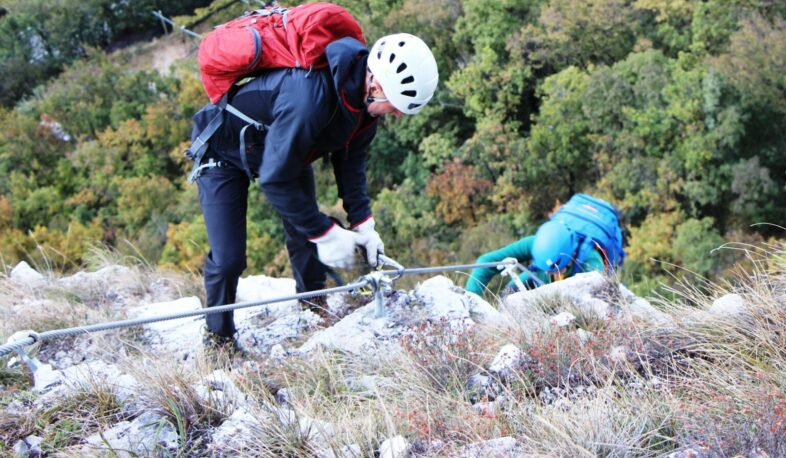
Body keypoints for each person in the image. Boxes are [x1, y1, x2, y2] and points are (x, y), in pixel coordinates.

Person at [190, 33, 438, 347]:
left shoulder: (363, 108)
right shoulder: (309, 97)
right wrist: (326, 233)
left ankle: (313, 308)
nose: (399, 115)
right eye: (397, 106)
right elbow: (274, 179)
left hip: (283, 149)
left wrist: (364, 223)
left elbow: (351, 163)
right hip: (223, 150)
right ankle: (219, 339)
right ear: (375, 86)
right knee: (229, 258)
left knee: (304, 232)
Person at [465, 196, 623, 296]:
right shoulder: (536, 243)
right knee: (508, 294)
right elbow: (486, 263)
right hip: (540, 277)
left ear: (570, 255)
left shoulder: (591, 262)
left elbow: (596, 298)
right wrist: (470, 300)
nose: (549, 271)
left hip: (575, 288)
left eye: (554, 269)